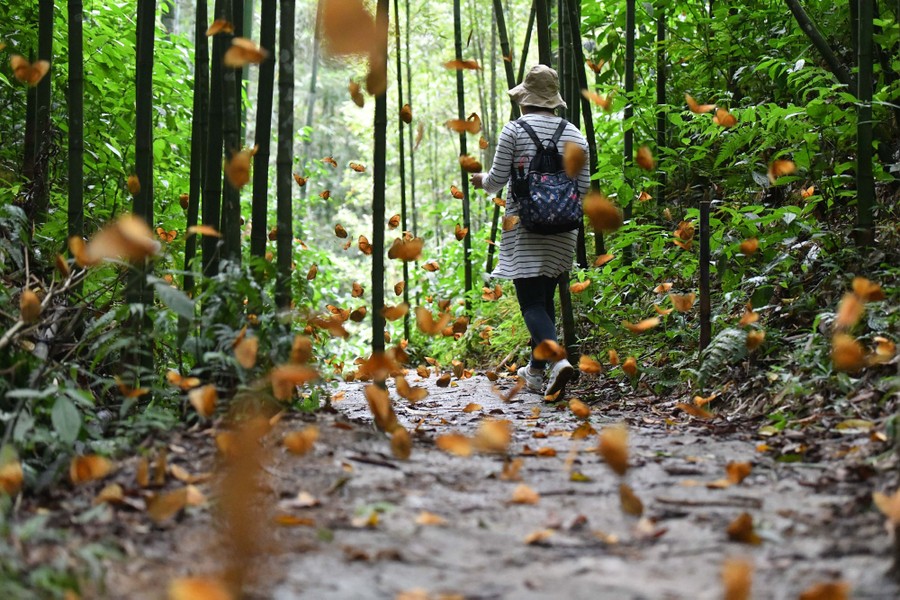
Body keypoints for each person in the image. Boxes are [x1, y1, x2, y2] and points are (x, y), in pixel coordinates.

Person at [470, 64, 590, 399]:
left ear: (525, 100)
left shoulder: (514, 131)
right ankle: (536, 372)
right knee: (544, 299)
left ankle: (556, 359)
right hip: (564, 228)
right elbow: (583, 186)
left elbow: (495, 181)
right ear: (553, 101)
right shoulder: (574, 134)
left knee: (530, 303)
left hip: (524, 226)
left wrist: (481, 180)